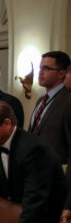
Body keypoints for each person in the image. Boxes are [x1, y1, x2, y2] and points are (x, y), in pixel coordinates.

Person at [29, 51, 71, 179]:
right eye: (40, 67)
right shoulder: (40, 100)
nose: (40, 72)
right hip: (34, 172)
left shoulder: (67, 100)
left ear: (61, 73)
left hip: (56, 176)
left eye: (46, 68)